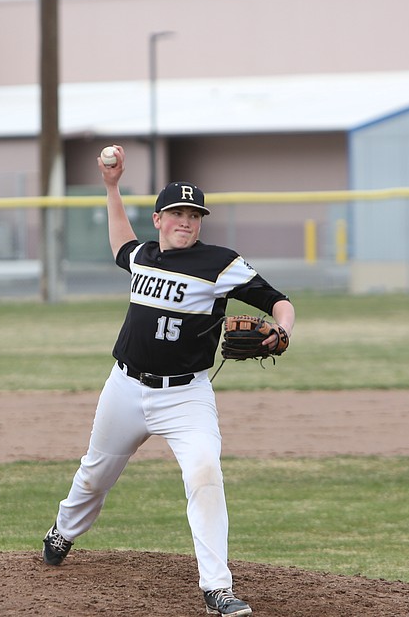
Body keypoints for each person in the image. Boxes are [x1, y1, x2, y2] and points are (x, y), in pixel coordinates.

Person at [41, 145, 294, 617]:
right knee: (95, 474)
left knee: (205, 473)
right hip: (125, 387)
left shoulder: (220, 263)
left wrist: (283, 330)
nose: (186, 220)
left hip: (186, 395)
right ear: (158, 219)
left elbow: (279, 301)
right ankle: (63, 530)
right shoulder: (145, 255)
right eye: (177, 212)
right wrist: (112, 186)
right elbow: (120, 243)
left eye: (194, 214)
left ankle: (217, 588)